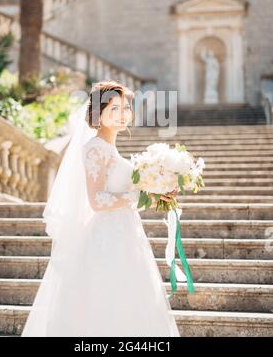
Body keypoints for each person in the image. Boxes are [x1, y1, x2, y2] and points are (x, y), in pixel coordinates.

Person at [21, 80, 180, 337]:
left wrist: (157, 190)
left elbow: (124, 191)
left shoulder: (110, 148)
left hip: (126, 232)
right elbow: (97, 201)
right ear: (99, 113)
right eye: (114, 108)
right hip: (106, 236)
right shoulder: (95, 149)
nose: (122, 114)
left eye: (125, 107)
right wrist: (141, 197)